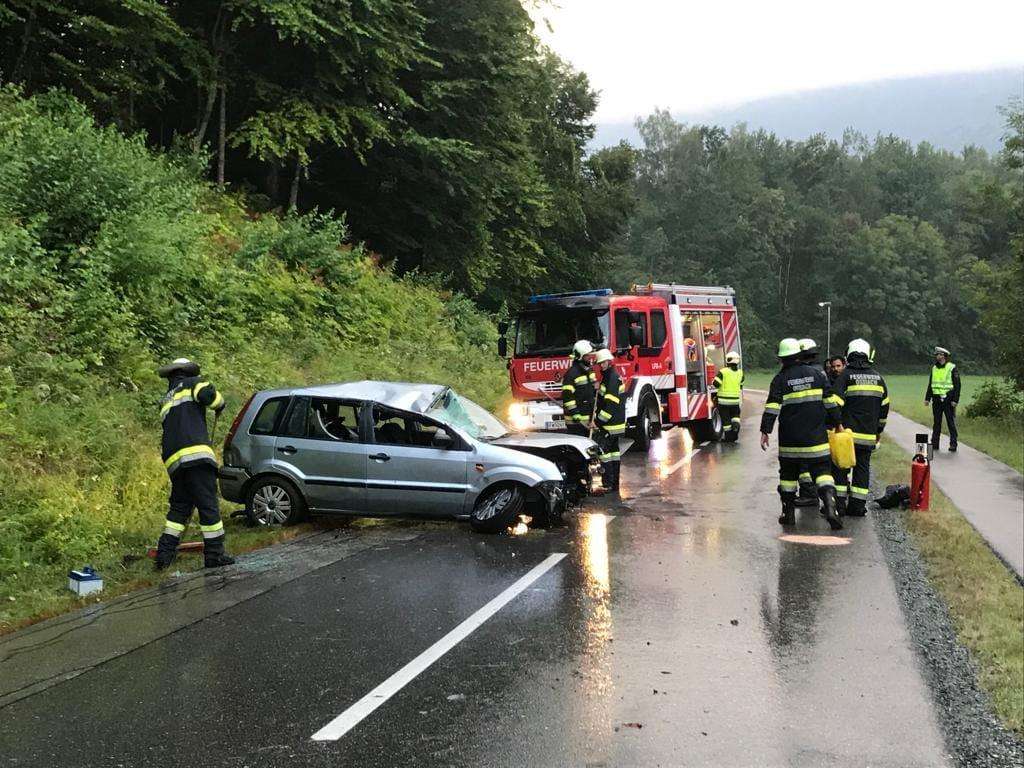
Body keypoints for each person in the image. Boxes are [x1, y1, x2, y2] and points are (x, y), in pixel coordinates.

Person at [153, 357, 234, 570]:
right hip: (196, 457)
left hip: (174, 461)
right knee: (208, 506)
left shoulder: (166, 399)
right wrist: (220, 403)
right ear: (188, 372)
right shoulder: (193, 383)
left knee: (179, 509)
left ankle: (164, 556)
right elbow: (212, 398)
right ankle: (214, 555)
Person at [760, 338, 843, 530]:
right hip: (816, 439)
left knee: (788, 476)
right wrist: (838, 423)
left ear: (782, 359)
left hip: (790, 441)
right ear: (800, 355)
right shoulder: (818, 375)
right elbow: (830, 403)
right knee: (823, 473)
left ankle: (788, 514)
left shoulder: (779, 379)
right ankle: (831, 507)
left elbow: (772, 407)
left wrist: (765, 431)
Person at [832, 339, 889, 516]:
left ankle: (839, 506)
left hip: (846, 436)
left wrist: (834, 425)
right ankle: (857, 507)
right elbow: (884, 409)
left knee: (841, 469)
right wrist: (878, 432)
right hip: (868, 436)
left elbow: (835, 404)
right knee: (862, 470)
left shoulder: (845, 376)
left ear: (849, 354)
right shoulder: (879, 379)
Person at [591, 348, 626, 493]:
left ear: (608, 361)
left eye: (603, 363)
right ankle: (614, 484)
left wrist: (598, 421)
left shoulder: (611, 378)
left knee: (604, 453)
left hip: (609, 424)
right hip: (615, 423)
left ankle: (608, 484)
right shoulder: (610, 376)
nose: (601, 366)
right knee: (613, 453)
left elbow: (610, 404)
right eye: (600, 364)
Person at [794, 338, 820, 506]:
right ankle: (820, 493)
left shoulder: (799, 373)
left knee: (803, 462)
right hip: (818, 424)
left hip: (802, 424)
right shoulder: (820, 372)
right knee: (817, 462)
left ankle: (809, 494)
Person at [925, 346, 960, 452]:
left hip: (948, 400)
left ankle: (953, 444)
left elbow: (957, 385)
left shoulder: (952, 367)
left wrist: (955, 400)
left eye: (939, 354)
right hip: (936, 400)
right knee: (936, 422)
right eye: (936, 355)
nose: (937, 356)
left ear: (944, 356)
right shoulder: (934, 368)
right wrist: (927, 398)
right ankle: (935, 444)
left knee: (950, 422)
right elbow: (931, 384)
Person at [561, 340, 597, 438]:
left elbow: (591, 393)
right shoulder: (571, 374)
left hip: (589, 421)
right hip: (576, 423)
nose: (590, 357)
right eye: (588, 355)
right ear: (580, 356)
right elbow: (567, 398)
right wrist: (575, 414)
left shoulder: (589, 371)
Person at [712, 351, 744, 442]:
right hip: (735, 401)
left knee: (726, 421)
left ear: (727, 361)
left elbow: (716, 384)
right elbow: (741, 385)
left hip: (723, 402)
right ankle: (736, 427)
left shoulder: (723, 372)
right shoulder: (740, 373)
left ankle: (729, 438)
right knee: (735, 416)